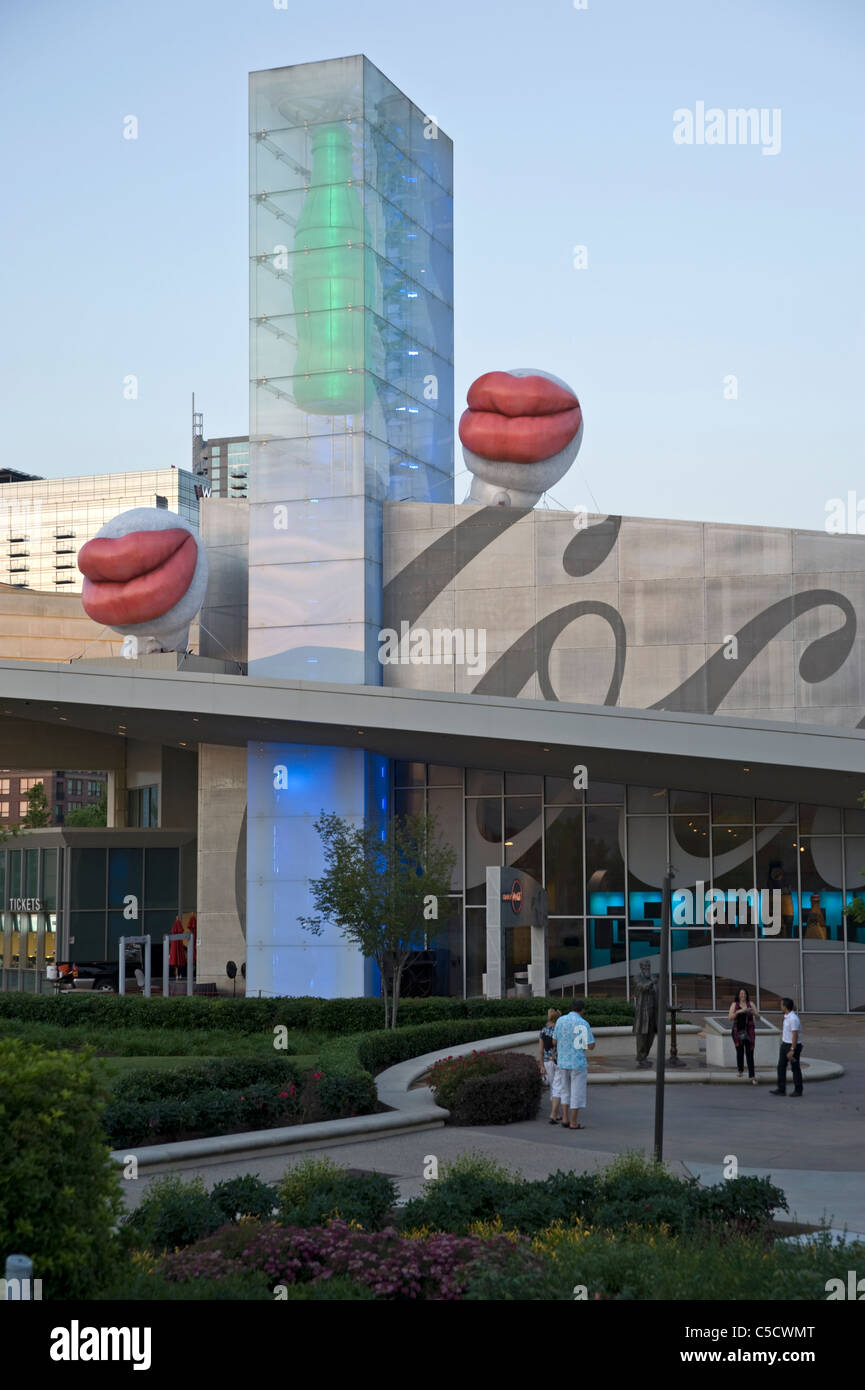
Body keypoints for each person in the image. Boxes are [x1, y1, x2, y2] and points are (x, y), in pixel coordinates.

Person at [552, 1002, 595, 1130]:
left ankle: (564, 1118)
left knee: (565, 1090)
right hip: (578, 1063)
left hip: (562, 1062)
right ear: (582, 1010)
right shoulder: (583, 1023)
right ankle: (573, 1122)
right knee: (577, 1092)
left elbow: (554, 1041)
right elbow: (591, 1045)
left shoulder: (560, 1020)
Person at [770, 998, 804, 1097]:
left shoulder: (793, 1019)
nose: (780, 1007)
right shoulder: (786, 1016)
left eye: (781, 1005)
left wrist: (792, 1050)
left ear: (785, 1007)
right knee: (781, 1066)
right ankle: (781, 1089)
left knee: (795, 1068)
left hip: (793, 1046)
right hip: (785, 1044)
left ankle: (798, 1090)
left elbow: (795, 1035)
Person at [727, 987, 757, 1084]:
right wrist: (739, 1011)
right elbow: (730, 1018)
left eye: (744, 993)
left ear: (747, 995)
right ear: (738, 995)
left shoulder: (751, 1004)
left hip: (749, 1032)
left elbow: (759, 1017)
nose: (743, 995)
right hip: (737, 1032)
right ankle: (740, 1070)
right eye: (741, 994)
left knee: (750, 1052)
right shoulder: (734, 1004)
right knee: (739, 1052)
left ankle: (752, 1076)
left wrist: (754, 1013)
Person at [632, 958, 657, 1067]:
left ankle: (645, 1056)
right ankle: (641, 1057)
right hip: (643, 1012)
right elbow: (643, 987)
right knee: (642, 1036)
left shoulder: (652, 977)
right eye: (645, 966)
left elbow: (658, 993)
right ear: (641, 967)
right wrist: (652, 982)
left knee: (650, 1037)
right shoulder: (637, 978)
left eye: (649, 966)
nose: (647, 968)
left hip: (652, 1012)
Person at [538, 1007, 561, 1105]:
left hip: (547, 1061)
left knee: (553, 1086)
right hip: (559, 1061)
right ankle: (557, 1112)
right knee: (560, 1086)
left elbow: (540, 1050)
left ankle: (556, 1112)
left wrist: (541, 1065)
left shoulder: (543, 1030)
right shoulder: (560, 1030)